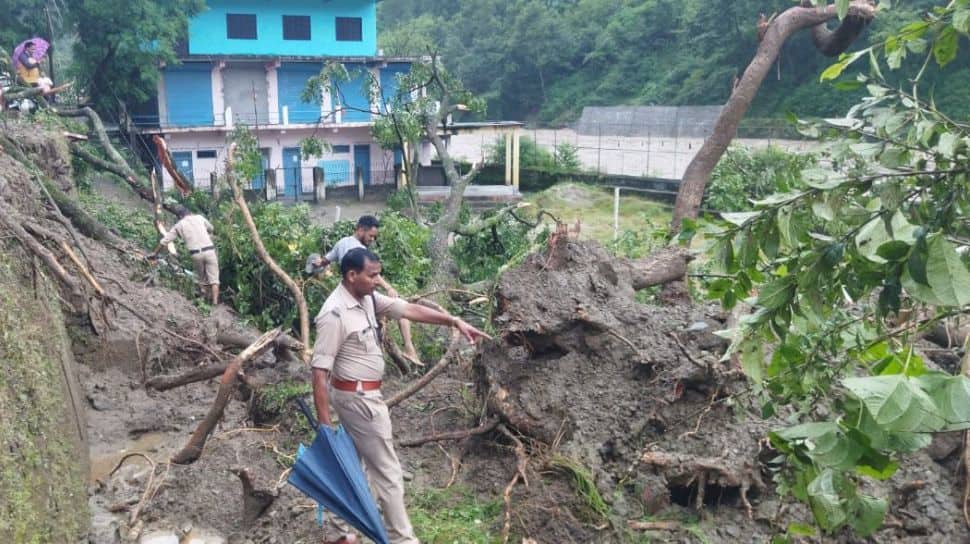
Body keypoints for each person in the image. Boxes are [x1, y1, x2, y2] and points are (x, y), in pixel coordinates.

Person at [311, 248, 490, 544]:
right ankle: (402, 539)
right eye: (372, 275)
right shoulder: (334, 313)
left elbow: (408, 310)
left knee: (351, 465)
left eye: (378, 274)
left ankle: (339, 533)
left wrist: (454, 320)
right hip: (359, 402)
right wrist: (324, 426)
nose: (378, 280)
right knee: (388, 473)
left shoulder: (366, 298)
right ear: (351, 275)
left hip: (362, 397)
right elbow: (319, 372)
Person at [309, 215, 420, 362]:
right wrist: (389, 287)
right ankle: (409, 348)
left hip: (348, 293)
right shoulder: (359, 250)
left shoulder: (342, 242)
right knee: (402, 309)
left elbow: (325, 260)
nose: (372, 240)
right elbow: (373, 275)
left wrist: (316, 263)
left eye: (374, 237)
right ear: (361, 230)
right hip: (364, 295)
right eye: (371, 236)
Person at [148, 209, 220, 305]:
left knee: (202, 279)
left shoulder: (179, 225)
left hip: (196, 254)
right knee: (214, 279)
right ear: (189, 213)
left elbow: (165, 240)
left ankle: (204, 301)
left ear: (180, 217)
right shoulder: (199, 217)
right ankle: (215, 303)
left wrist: (155, 253)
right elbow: (212, 228)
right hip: (209, 251)